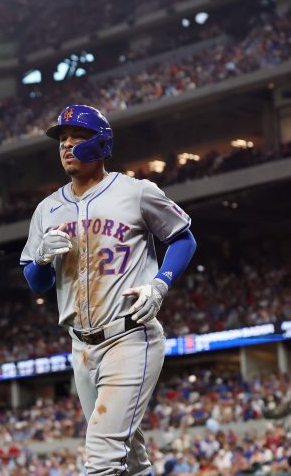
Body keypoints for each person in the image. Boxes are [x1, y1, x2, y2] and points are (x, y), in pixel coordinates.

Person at [20, 105, 197, 475]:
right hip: (81, 347)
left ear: (101, 145)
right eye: (62, 141)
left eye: (77, 138)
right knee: (130, 459)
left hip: (129, 336)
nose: (67, 146)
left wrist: (160, 284)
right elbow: (39, 283)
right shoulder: (48, 209)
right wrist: (39, 260)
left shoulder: (135, 192)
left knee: (101, 456)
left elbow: (183, 238)